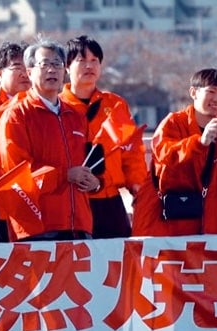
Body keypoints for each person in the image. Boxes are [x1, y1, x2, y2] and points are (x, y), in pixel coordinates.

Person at [0, 41, 97, 241]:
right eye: (44, 64)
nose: (52, 70)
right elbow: (17, 176)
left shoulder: (75, 115)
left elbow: (87, 162)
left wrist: (94, 183)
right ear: (29, 72)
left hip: (79, 224)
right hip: (38, 228)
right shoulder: (16, 116)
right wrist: (64, 175)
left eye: (57, 64)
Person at [61, 35, 150, 239]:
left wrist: (140, 191)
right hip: (71, 202)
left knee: (120, 262)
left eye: (94, 61)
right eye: (81, 60)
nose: (88, 66)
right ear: (66, 67)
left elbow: (132, 152)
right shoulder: (57, 107)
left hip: (109, 201)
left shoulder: (115, 105)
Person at [143, 69, 217, 239]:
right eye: (211, 91)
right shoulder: (173, 122)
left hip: (209, 223)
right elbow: (166, 156)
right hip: (170, 221)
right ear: (193, 92)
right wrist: (199, 143)